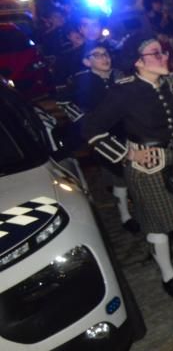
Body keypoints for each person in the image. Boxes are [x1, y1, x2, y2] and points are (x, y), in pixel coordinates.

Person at [82, 33, 173, 298]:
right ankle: (168, 274)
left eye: (165, 52)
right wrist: (128, 154)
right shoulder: (123, 91)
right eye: (156, 53)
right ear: (138, 62)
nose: (164, 57)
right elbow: (92, 129)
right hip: (147, 168)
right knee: (158, 224)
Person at [60, 42, 137, 234]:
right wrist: (84, 119)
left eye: (106, 53)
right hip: (103, 137)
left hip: (130, 131)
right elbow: (63, 101)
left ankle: (143, 207)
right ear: (87, 61)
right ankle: (125, 215)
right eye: (97, 55)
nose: (105, 58)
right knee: (118, 177)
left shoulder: (121, 76)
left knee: (135, 173)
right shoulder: (80, 81)